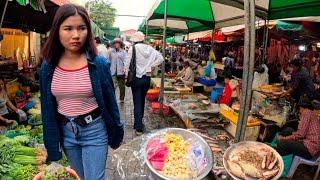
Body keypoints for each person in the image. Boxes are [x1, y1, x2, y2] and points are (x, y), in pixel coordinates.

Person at [40, 4, 124, 180]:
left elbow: (110, 102)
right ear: (57, 31)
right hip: (67, 133)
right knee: (79, 177)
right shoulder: (48, 66)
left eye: (81, 28)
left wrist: (117, 130)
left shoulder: (98, 64)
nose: (76, 35)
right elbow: (47, 110)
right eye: (68, 28)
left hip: (94, 130)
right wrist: (52, 146)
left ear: (88, 31)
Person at [125, 32, 164, 135]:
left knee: (137, 101)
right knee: (141, 101)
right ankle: (138, 122)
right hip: (146, 78)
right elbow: (161, 58)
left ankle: (138, 127)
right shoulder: (150, 49)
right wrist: (151, 66)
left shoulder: (133, 48)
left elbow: (128, 63)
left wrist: (126, 76)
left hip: (136, 78)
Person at [277, 95, 320, 159]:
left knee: (283, 144)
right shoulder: (311, 113)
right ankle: (279, 147)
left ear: (301, 107)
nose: (299, 111)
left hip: (310, 148)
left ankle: (281, 161)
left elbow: (300, 135)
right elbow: (302, 133)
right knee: (288, 130)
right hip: (311, 145)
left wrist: (284, 138)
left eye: (299, 109)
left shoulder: (306, 113)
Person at [109, 38, 127, 103]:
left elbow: (125, 61)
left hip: (121, 71)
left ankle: (122, 98)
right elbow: (108, 60)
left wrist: (125, 69)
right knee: (112, 86)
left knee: (121, 86)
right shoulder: (111, 51)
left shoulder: (123, 52)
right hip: (112, 71)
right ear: (114, 44)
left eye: (118, 43)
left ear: (120, 44)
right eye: (115, 43)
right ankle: (112, 98)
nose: (116, 44)